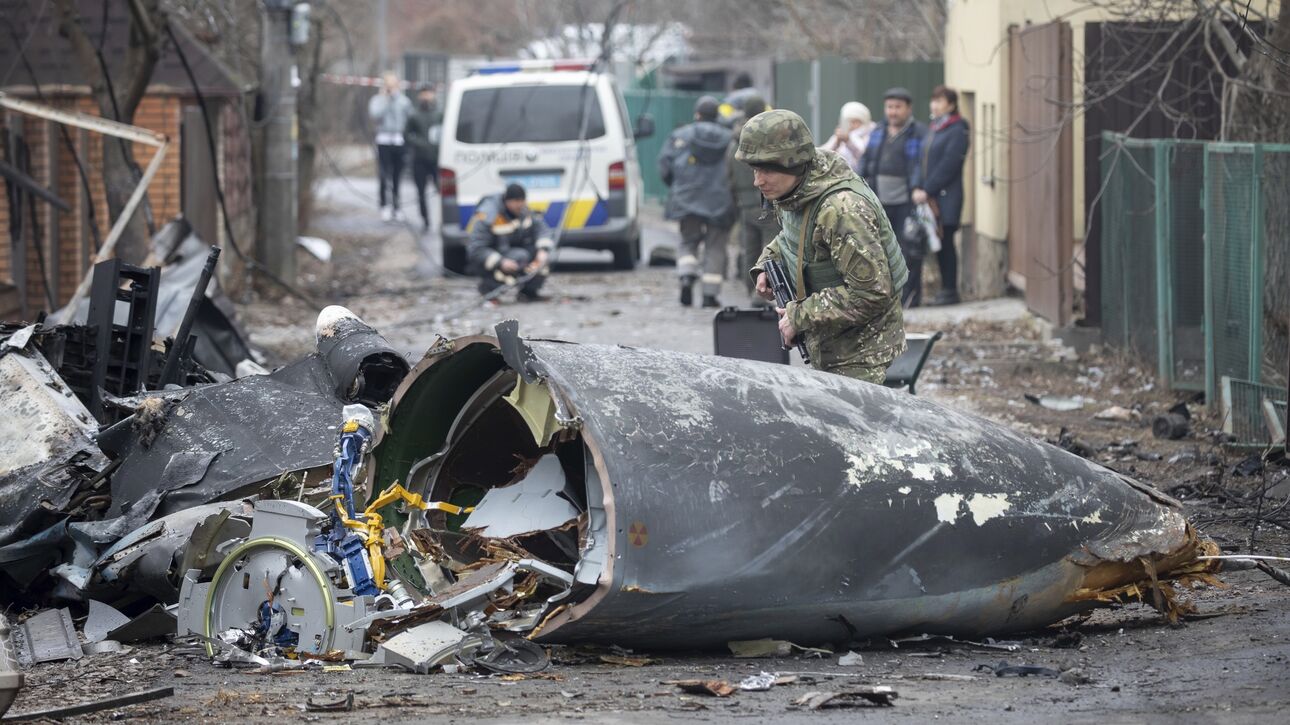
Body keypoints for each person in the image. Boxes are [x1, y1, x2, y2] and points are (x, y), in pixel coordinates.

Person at [737, 109, 908, 383]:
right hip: (830, 343)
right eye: (755, 169)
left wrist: (798, 316)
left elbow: (871, 294)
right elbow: (794, 238)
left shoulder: (841, 210)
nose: (758, 181)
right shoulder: (798, 191)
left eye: (767, 169)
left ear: (792, 163)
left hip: (861, 354)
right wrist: (766, 264)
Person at [657, 95, 735, 307]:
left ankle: (686, 274)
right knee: (715, 246)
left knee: (688, 240)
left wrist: (677, 187)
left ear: (697, 114)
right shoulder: (730, 139)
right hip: (720, 201)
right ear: (717, 115)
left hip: (687, 198)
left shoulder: (680, 136)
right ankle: (709, 295)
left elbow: (665, 166)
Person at [859, 87, 926, 306]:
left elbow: (920, 166)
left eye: (898, 107)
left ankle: (910, 298)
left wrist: (917, 187)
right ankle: (886, 297)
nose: (893, 112)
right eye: (889, 107)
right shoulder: (878, 131)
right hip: (880, 202)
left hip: (907, 202)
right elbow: (866, 162)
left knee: (909, 251)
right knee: (880, 250)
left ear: (908, 108)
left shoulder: (919, 133)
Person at [914, 85, 970, 306]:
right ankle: (944, 289)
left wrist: (928, 189)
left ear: (952, 104)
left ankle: (950, 290)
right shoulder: (935, 127)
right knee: (937, 242)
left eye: (940, 101)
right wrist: (918, 186)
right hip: (929, 197)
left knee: (946, 242)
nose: (934, 105)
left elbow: (950, 163)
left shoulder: (958, 128)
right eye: (933, 100)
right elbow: (922, 160)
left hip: (946, 197)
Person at [726, 93, 779, 300]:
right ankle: (763, 295)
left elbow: (728, 175)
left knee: (749, 248)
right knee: (770, 248)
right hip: (767, 203)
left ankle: (751, 291)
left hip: (744, 204)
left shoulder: (735, 139)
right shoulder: (768, 138)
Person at [466, 183, 553, 302]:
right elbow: (476, 249)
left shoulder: (523, 211)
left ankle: (529, 292)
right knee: (520, 257)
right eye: (516, 201)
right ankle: (488, 289)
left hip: (514, 252)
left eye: (522, 201)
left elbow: (541, 228)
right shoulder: (488, 214)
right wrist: (500, 262)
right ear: (507, 201)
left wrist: (543, 250)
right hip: (494, 259)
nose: (520, 205)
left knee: (541, 259)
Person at [367, 71, 413, 222]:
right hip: (384, 140)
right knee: (383, 174)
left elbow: (409, 117)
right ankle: (384, 206)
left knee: (397, 176)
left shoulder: (404, 101)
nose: (391, 88)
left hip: (398, 140)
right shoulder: (378, 100)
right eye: (388, 85)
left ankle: (397, 206)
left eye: (393, 85)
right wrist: (386, 100)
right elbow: (375, 114)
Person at [404, 83, 443, 233]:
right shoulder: (414, 114)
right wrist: (420, 143)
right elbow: (406, 135)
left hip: (437, 159)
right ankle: (425, 220)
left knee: (442, 191)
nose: (426, 96)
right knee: (421, 192)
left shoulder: (439, 113)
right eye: (424, 93)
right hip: (419, 159)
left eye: (429, 93)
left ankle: (443, 220)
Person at [819, 102, 875, 174]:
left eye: (855, 122)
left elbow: (864, 157)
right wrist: (837, 143)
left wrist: (848, 141)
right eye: (849, 121)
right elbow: (822, 154)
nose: (851, 125)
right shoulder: (840, 135)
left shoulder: (871, 135)